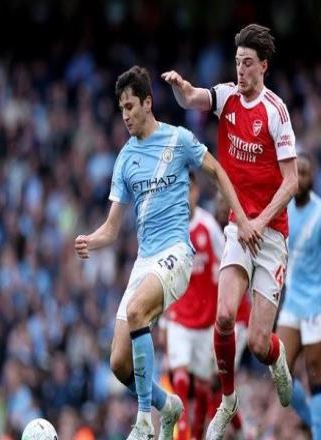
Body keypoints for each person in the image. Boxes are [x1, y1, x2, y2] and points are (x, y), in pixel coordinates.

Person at [74, 66, 259, 440]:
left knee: (136, 311)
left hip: (176, 253)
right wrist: (90, 240)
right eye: (121, 109)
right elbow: (112, 227)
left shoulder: (178, 140)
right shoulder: (125, 158)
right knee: (118, 363)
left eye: (130, 106)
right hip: (145, 262)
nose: (125, 115)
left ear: (147, 103)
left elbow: (217, 171)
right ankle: (167, 404)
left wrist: (240, 215)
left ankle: (144, 420)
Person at [162, 24, 298, 439]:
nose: (240, 70)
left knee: (257, 343)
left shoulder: (275, 112)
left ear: (263, 66)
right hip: (240, 227)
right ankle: (228, 400)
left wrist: (261, 220)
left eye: (248, 63)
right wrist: (181, 88)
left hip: (270, 233)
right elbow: (192, 98)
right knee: (223, 317)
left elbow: (291, 182)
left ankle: (276, 355)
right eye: (237, 62)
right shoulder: (227, 97)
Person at [275, 154, 321, 440]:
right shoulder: (284, 209)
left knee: (314, 372)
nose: (301, 178)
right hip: (293, 301)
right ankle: (319, 424)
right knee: (279, 368)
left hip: (317, 303)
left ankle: (319, 434)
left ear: (312, 178)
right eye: (298, 172)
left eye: (305, 173)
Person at [162, 172, 224, 440]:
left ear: (196, 191)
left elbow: (227, 265)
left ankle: (197, 434)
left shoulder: (208, 227)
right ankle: (183, 432)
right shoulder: (169, 231)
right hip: (178, 318)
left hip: (206, 322)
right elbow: (163, 279)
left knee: (203, 387)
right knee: (180, 376)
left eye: (188, 189)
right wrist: (163, 322)